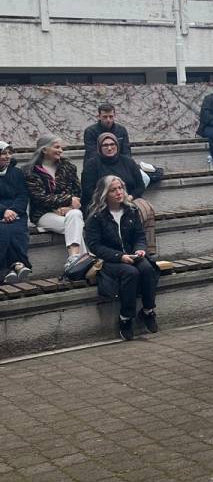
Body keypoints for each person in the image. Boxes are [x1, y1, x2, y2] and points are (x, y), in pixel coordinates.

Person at [85, 175, 160, 341]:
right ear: (104, 193)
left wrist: (140, 249)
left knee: (147, 269)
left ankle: (148, 310)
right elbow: (95, 246)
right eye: (113, 190)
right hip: (109, 260)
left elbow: (140, 236)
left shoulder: (131, 210)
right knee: (130, 273)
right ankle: (125, 318)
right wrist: (120, 256)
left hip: (132, 255)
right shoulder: (96, 216)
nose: (119, 192)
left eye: (120, 188)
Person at [24, 134, 90, 277]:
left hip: (68, 213)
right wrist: (67, 200)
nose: (61, 150)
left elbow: (77, 192)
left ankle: (74, 258)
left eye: (61, 147)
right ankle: (85, 263)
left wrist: (68, 207)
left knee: (76, 215)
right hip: (43, 214)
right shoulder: (30, 171)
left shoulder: (68, 167)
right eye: (57, 147)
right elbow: (40, 198)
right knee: (76, 224)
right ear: (44, 150)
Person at [81, 132, 157, 255]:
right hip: (102, 201)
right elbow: (87, 190)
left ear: (117, 145)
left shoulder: (128, 162)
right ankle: (120, 250)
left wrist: (129, 197)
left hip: (128, 198)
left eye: (112, 144)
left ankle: (145, 250)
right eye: (105, 145)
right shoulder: (92, 164)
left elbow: (140, 186)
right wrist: (108, 198)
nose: (109, 148)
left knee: (146, 208)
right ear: (99, 148)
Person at [0, 141, 31, 284]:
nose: (7, 156)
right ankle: (14, 266)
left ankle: (13, 267)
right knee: (4, 232)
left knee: (18, 231)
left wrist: (13, 211)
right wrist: (3, 211)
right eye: (3, 153)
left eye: (9, 153)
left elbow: (23, 195)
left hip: (16, 214)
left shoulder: (17, 173)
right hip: (1, 214)